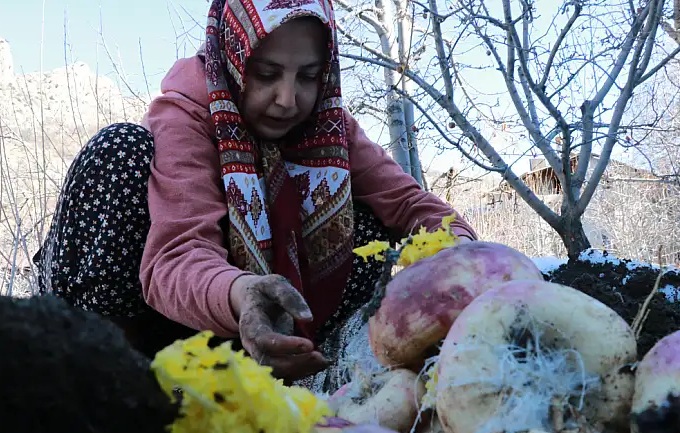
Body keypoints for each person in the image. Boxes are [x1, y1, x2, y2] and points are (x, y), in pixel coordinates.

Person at [34, 0, 477, 392]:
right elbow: (178, 253)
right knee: (118, 153)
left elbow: (410, 204)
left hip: (241, 334)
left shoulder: (331, 126)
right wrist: (242, 293)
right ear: (234, 56)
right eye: (265, 74)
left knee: (364, 223)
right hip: (163, 321)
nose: (287, 99)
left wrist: (469, 259)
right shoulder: (187, 114)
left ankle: (301, 366)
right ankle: (107, 378)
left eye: (308, 76)